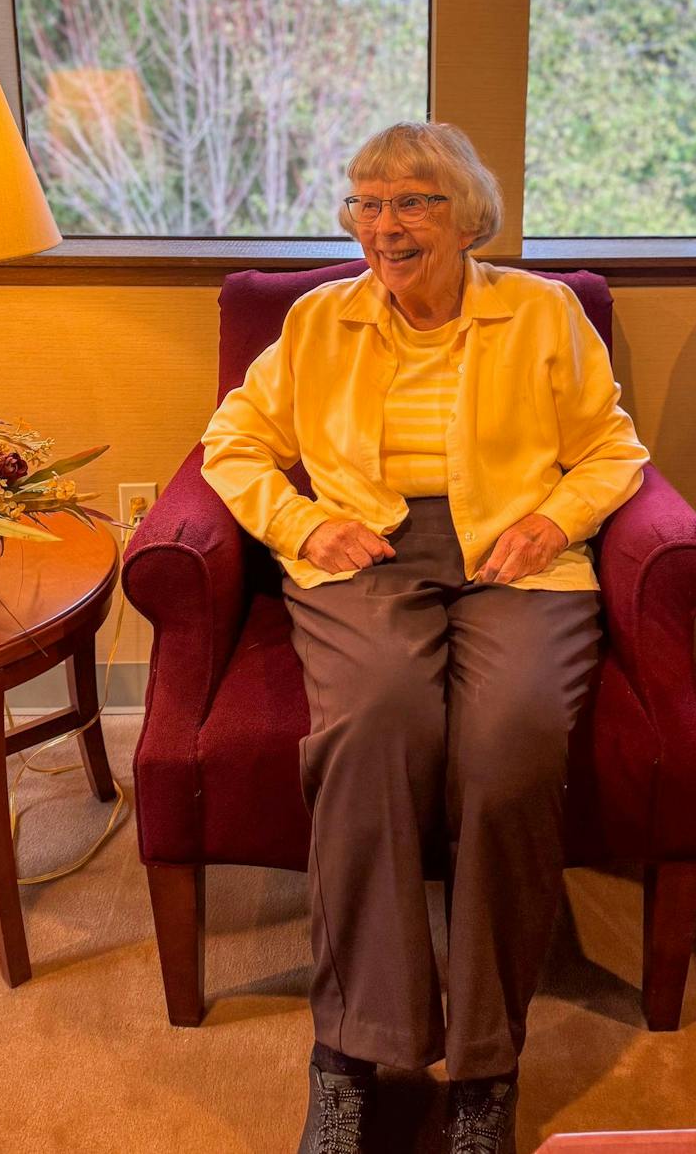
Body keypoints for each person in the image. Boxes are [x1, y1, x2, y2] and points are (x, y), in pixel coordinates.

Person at [200, 122, 648, 1154]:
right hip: (364, 550)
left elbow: (610, 448)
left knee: (511, 744)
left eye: (411, 201)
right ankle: (352, 1052)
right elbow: (234, 441)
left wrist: (556, 521)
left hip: (517, 554)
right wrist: (303, 523)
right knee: (373, 724)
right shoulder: (318, 319)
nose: (384, 226)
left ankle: (486, 1066)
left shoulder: (542, 311)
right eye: (366, 202)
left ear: (465, 214)